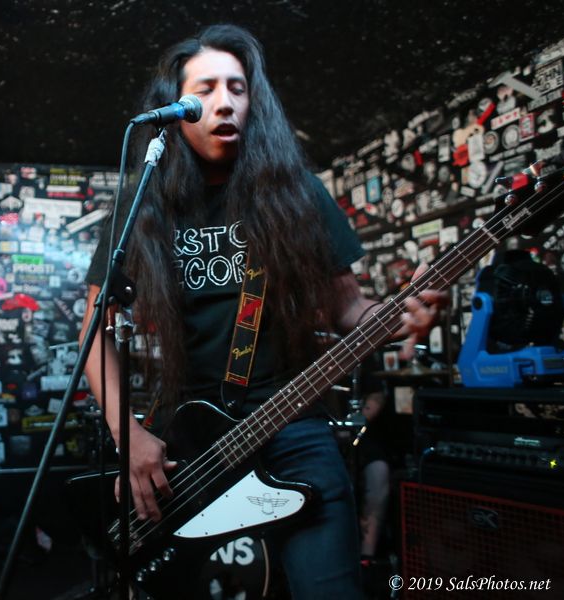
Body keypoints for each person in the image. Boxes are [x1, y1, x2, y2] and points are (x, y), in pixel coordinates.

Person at [79, 24, 446, 598]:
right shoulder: (143, 205)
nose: (225, 102)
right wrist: (129, 436)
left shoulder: (299, 194)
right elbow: (93, 332)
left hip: (293, 426)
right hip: (190, 442)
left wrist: (404, 316)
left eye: (238, 87)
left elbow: (351, 310)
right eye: (205, 90)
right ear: (175, 109)